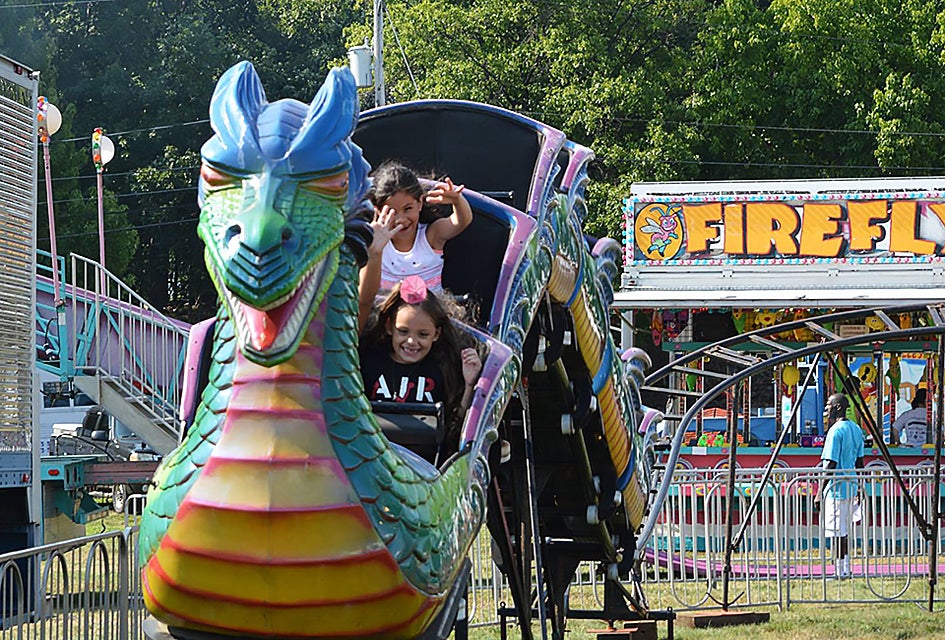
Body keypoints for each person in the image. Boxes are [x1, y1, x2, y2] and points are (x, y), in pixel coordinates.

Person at [359, 275, 482, 456]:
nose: (411, 341)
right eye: (403, 331)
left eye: (422, 334)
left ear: (436, 334)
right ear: (389, 327)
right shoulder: (370, 362)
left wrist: (470, 384)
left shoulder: (442, 368)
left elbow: (455, 428)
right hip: (374, 457)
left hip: (426, 463)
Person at [358, 161, 473, 327]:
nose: (401, 220)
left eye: (407, 209)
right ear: (377, 210)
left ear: (420, 203)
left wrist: (457, 200)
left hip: (429, 320)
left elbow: (461, 221)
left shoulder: (431, 235)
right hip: (383, 321)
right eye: (392, 211)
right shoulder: (374, 240)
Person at [814, 393, 864, 579]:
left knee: (836, 532)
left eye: (828, 405)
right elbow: (860, 462)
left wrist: (820, 491)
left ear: (837, 407)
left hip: (836, 489)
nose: (826, 409)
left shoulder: (835, 431)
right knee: (843, 531)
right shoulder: (856, 429)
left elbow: (830, 464)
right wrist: (860, 486)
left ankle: (839, 570)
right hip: (850, 486)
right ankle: (845, 566)